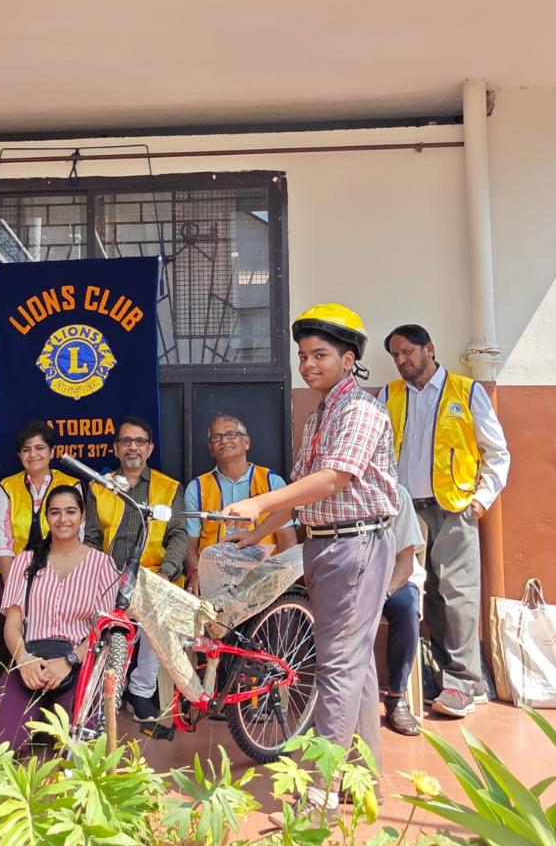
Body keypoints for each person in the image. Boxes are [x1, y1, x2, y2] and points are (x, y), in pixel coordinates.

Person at [223, 303, 398, 821]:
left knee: (338, 665)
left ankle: (318, 799)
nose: (308, 364)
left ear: (349, 360)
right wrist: (257, 531)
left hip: (356, 544)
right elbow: (301, 496)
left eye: (320, 354)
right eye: (302, 356)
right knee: (355, 662)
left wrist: (256, 502)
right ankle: (364, 779)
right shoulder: (321, 413)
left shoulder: (359, 411)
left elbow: (333, 480)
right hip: (324, 543)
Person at [379, 324, 511, 719]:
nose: (402, 361)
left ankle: (463, 683)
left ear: (429, 349)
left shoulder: (465, 391)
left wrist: (481, 501)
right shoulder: (389, 395)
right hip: (404, 512)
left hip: (453, 508)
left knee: (457, 595)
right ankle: (426, 679)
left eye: (407, 352)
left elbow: (497, 452)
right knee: (414, 594)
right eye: (396, 356)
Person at [0, 484, 120, 756]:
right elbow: (12, 624)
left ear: (82, 517)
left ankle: (50, 716)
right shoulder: (26, 560)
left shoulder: (102, 564)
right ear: (46, 517)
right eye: (55, 512)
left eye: (71, 512)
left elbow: (102, 631)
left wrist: (69, 661)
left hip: (77, 664)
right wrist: (24, 661)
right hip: (31, 661)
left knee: (80, 752)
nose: (63, 519)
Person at [84, 415, 184, 726]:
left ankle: (141, 691)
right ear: (116, 448)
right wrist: (100, 573)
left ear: (150, 448)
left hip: (155, 572)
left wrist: (166, 572)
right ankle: (112, 687)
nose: (133, 447)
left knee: (157, 614)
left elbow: (178, 535)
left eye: (139, 441)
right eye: (126, 441)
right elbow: (90, 538)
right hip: (109, 573)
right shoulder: (100, 488)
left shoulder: (169, 488)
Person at [0, 420, 80, 682]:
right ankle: (8, 670)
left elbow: (76, 535)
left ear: (52, 452)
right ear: (19, 455)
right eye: (26, 449)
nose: (33, 455)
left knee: (51, 610)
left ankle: (57, 672)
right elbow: (1, 540)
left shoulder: (71, 484)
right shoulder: (8, 487)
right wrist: (15, 588)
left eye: (39, 448)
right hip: (12, 570)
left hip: (58, 568)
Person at [182, 414, 296, 596]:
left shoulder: (271, 482)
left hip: (264, 576)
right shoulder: (197, 487)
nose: (224, 440)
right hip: (213, 579)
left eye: (231, 434)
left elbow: (287, 539)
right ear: (211, 448)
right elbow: (189, 543)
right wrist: (195, 573)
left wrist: (283, 582)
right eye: (216, 437)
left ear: (247, 442)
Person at [382, 483, 426, 737]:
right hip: (355, 582)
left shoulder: (397, 494)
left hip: (395, 579)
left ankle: (396, 696)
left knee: (406, 608)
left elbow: (406, 561)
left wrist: (383, 594)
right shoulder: (339, 491)